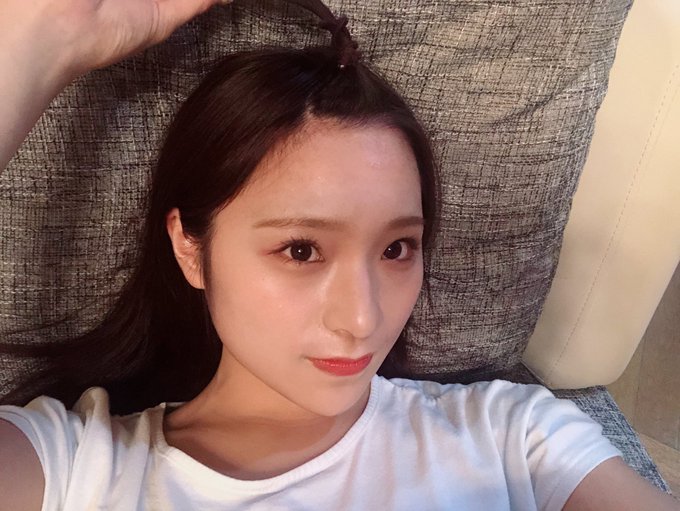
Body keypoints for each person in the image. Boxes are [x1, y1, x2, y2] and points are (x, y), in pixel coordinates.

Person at [0, 0, 678, 510]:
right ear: (190, 248)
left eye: (397, 248)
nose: (362, 319)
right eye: (301, 250)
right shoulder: (71, 466)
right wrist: (40, 37)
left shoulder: (515, 438)